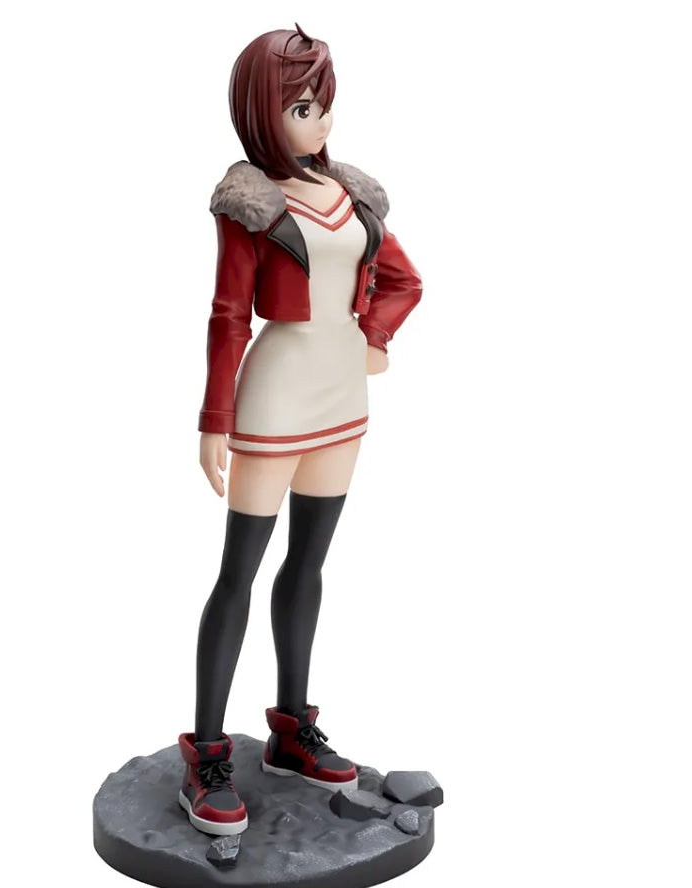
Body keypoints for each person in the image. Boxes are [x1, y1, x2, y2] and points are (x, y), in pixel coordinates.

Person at [177, 23, 424, 836]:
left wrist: (376, 336)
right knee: (238, 573)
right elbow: (227, 314)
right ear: (263, 110)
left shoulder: (352, 194)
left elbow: (404, 279)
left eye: (324, 104)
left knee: (309, 565)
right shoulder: (250, 203)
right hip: (276, 397)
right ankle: (207, 754)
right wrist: (215, 419)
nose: (321, 121)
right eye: (304, 106)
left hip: (342, 398)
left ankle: (291, 729)